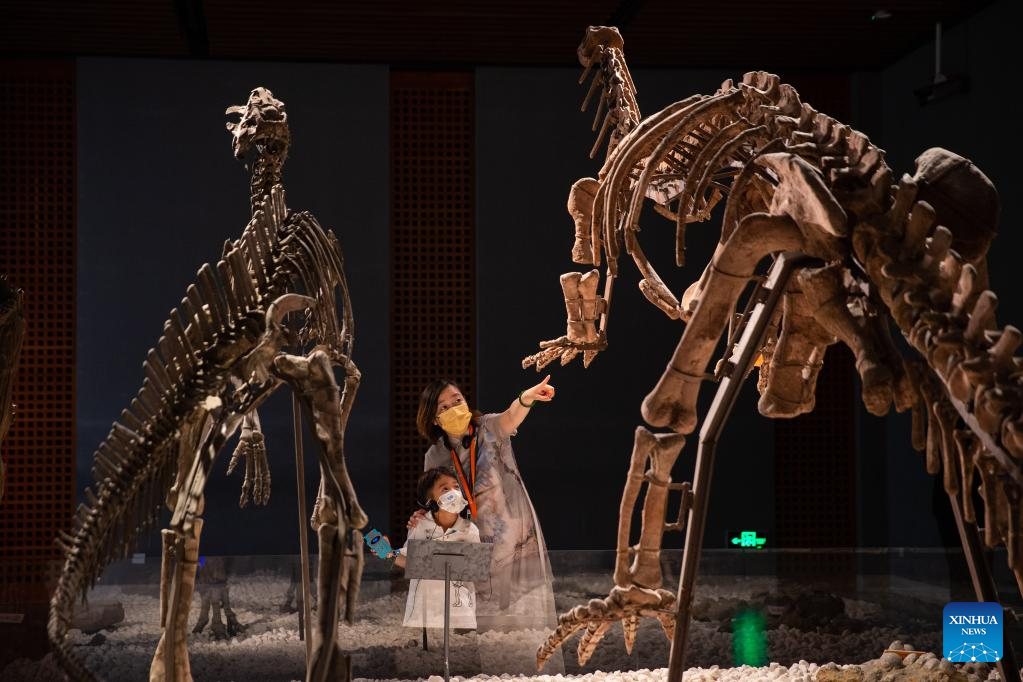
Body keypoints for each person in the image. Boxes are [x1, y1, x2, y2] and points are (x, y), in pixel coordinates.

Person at [408, 375, 558, 635]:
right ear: (434, 419)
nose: (454, 408)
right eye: (444, 407)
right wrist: (423, 516)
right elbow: (435, 500)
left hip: (513, 532)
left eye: (457, 400)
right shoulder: (435, 455)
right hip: (470, 537)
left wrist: (526, 398)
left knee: (524, 617)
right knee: (479, 618)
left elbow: (510, 416)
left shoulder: (487, 427)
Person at [393, 466, 481, 629]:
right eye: (445, 489)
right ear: (430, 501)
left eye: (456, 487)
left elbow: (476, 569)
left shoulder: (470, 529)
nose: (454, 492)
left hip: (460, 611)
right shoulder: (420, 525)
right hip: (426, 610)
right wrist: (385, 552)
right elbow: (409, 560)